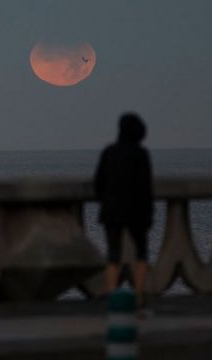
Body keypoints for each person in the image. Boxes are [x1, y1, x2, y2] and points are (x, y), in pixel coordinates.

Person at [94, 113, 153, 311]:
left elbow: (98, 183)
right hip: (137, 211)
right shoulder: (140, 154)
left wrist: (106, 200)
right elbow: (146, 187)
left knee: (113, 254)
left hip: (112, 211)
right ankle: (138, 295)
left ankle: (111, 293)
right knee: (142, 253)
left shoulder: (109, 152)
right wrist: (149, 214)